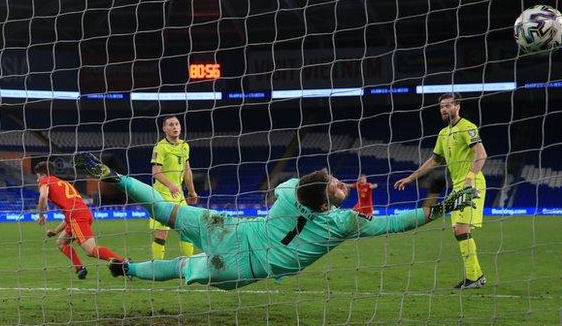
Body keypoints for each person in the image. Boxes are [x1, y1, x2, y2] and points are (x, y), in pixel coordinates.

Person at [74, 153, 476, 290]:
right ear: (328, 200)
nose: (342, 183)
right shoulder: (341, 225)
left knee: (165, 210)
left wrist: (347, 198)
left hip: (230, 228)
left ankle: (116, 177)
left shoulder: (287, 191)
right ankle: (127, 269)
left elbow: (309, 189)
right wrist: (442, 206)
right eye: (337, 184)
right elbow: (398, 222)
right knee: (181, 267)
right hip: (243, 267)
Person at [394, 92, 488, 289]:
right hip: (458, 186)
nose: (444, 109)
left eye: (448, 105)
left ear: (457, 106)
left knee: (461, 228)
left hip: (471, 183)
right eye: (441, 107)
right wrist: (411, 178)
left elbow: (481, 154)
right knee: (460, 230)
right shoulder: (443, 134)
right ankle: (476, 276)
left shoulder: (468, 127)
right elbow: (434, 160)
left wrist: (470, 178)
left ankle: (474, 277)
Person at [35, 161, 125, 279]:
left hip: (77, 217)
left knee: (90, 250)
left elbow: (42, 196)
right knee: (61, 242)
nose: (37, 181)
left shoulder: (45, 180)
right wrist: (56, 231)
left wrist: (41, 215)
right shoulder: (62, 183)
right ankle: (80, 269)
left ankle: (124, 262)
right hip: (82, 214)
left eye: (37, 177)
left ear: (43, 175)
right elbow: (69, 216)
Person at [149, 115, 198, 259]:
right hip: (162, 195)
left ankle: (189, 264)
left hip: (179, 195)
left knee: (187, 228)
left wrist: (192, 191)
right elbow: (156, 173)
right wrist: (170, 184)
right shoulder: (160, 147)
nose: (175, 127)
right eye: (171, 124)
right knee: (162, 232)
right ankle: (157, 266)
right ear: (164, 128)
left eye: (177, 124)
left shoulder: (185, 146)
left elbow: (187, 170)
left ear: (180, 127)